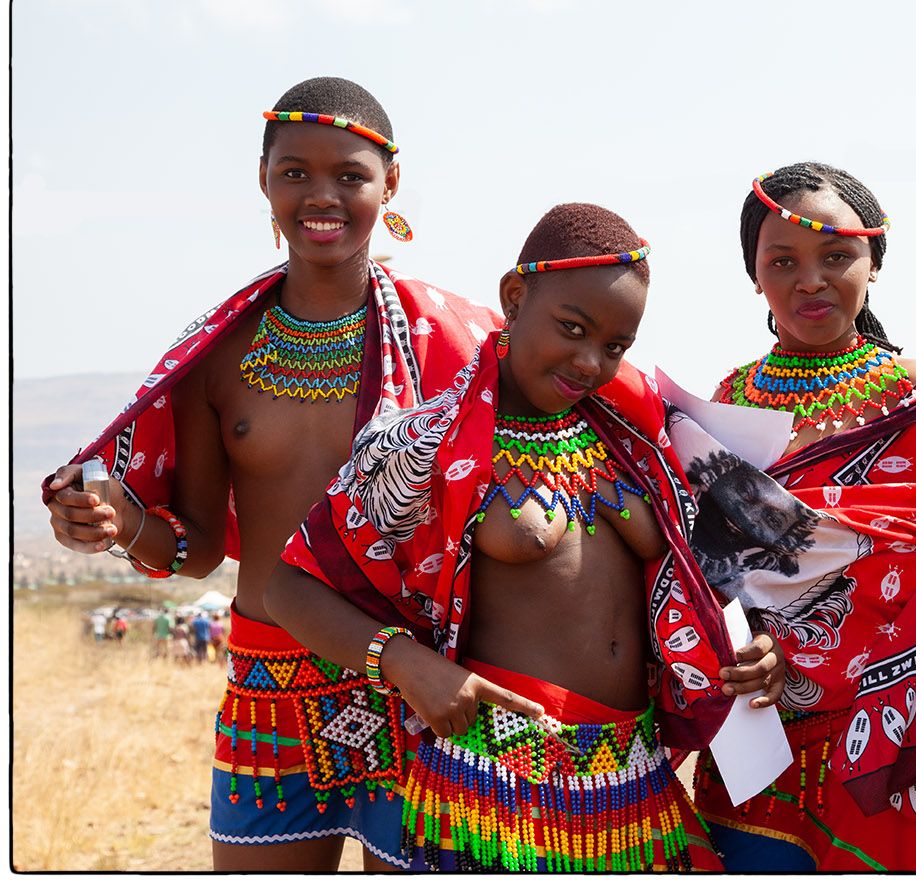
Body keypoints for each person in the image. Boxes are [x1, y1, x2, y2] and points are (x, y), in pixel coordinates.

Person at [40, 77, 499, 871]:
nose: (322, 196)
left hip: (414, 678)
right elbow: (196, 552)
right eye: (295, 173)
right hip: (267, 686)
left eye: (350, 175)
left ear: (391, 183)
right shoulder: (221, 355)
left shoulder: (454, 344)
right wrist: (122, 525)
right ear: (264, 181)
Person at [267, 203, 746, 872]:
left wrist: (758, 649)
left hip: (630, 785)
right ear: (514, 298)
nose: (589, 362)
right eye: (572, 329)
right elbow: (288, 585)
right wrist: (404, 663)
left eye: (614, 346)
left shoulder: (642, 441)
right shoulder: (425, 445)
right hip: (492, 794)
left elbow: (735, 566)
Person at [676, 162, 916, 871]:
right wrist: (735, 648)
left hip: (892, 738)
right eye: (782, 261)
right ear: (754, 276)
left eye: (837, 256)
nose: (809, 280)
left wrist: (802, 652)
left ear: (875, 263)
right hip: (756, 745)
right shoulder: (724, 402)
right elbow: (702, 564)